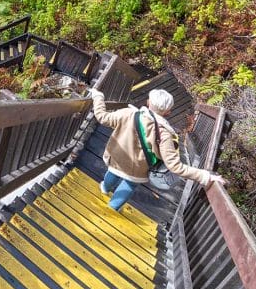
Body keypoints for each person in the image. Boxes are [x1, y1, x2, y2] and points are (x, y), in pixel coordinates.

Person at [90, 87, 226, 211]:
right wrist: (204, 175)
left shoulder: (127, 113)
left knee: (113, 172)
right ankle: (112, 208)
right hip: (137, 169)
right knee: (130, 184)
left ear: (148, 102)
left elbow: (102, 117)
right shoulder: (165, 133)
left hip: (117, 157)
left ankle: (104, 188)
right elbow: (175, 166)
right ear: (168, 112)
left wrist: (98, 97)